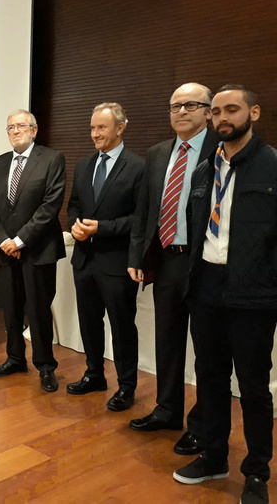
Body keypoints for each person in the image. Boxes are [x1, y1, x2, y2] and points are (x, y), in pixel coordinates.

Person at [173, 85, 277, 504]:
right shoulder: (204, 171)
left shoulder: (272, 167)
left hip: (253, 295)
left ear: (254, 112)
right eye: (215, 111)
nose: (221, 118)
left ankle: (256, 474)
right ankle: (214, 456)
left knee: (252, 388)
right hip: (207, 290)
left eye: (231, 109)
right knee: (210, 380)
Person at [127, 83, 218, 454]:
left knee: (208, 350)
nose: (182, 111)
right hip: (165, 261)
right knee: (167, 341)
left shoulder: (221, 149)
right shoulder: (158, 152)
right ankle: (167, 410)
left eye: (192, 105)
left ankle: (203, 425)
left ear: (209, 111)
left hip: (206, 264)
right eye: (175, 106)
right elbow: (145, 210)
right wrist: (136, 255)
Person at [66, 103, 144, 410]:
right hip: (84, 259)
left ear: (120, 128)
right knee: (89, 322)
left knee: (123, 327)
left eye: (102, 127)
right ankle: (94, 374)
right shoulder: (84, 165)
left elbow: (142, 218)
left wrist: (102, 228)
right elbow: (74, 204)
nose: (95, 134)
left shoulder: (138, 167)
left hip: (117, 261)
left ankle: (127, 386)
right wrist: (75, 225)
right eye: (92, 128)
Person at [0, 109, 65, 392]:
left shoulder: (52, 159)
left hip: (38, 249)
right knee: (11, 308)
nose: (15, 131)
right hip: (6, 250)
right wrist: (4, 240)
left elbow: (50, 206)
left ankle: (45, 366)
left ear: (34, 130)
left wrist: (19, 241)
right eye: (10, 128)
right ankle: (15, 358)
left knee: (38, 309)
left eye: (20, 126)